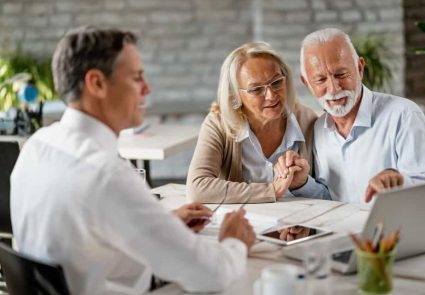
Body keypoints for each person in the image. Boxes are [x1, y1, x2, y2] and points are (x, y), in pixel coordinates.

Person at [10, 26, 255, 294]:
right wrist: (234, 241)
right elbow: (212, 275)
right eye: (137, 78)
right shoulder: (107, 175)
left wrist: (160, 223)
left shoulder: (37, 145)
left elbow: (83, 234)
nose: (146, 88)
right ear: (97, 83)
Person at [296, 27, 425, 204]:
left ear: (360, 68)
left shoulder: (403, 114)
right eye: (320, 80)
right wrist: (301, 183)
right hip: (342, 231)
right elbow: (329, 199)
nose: (334, 88)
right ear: (306, 83)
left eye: (341, 74)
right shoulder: (319, 128)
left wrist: (400, 181)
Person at [186, 42, 329, 204]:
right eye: (256, 89)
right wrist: (271, 191)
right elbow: (197, 188)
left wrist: (303, 184)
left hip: (297, 224)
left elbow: (328, 196)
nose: (271, 96)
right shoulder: (218, 124)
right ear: (235, 96)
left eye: (276, 83)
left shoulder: (307, 120)